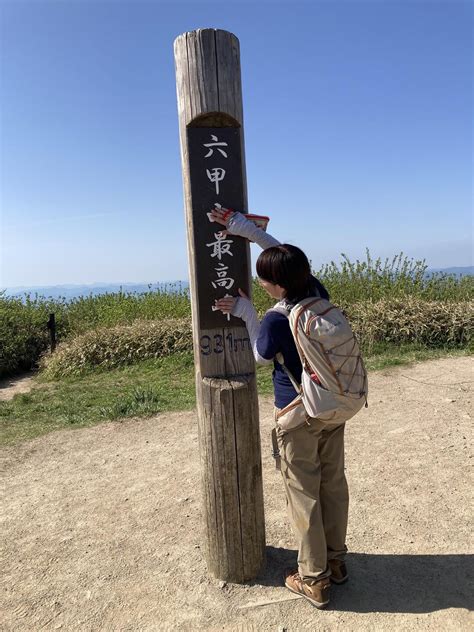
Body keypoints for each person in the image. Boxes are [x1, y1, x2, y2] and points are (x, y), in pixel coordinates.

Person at [211, 206, 349, 610]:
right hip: (332, 407)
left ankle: (314, 578)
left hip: (297, 413)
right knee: (333, 484)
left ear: (273, 285)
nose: (262, 285)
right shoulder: (316, 293)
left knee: (303, 492)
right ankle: (336, 562)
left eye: (264, 281)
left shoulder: (275, 318)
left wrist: (243, 311)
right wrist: (249, 232)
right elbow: (285, 256)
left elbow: (260, 354)